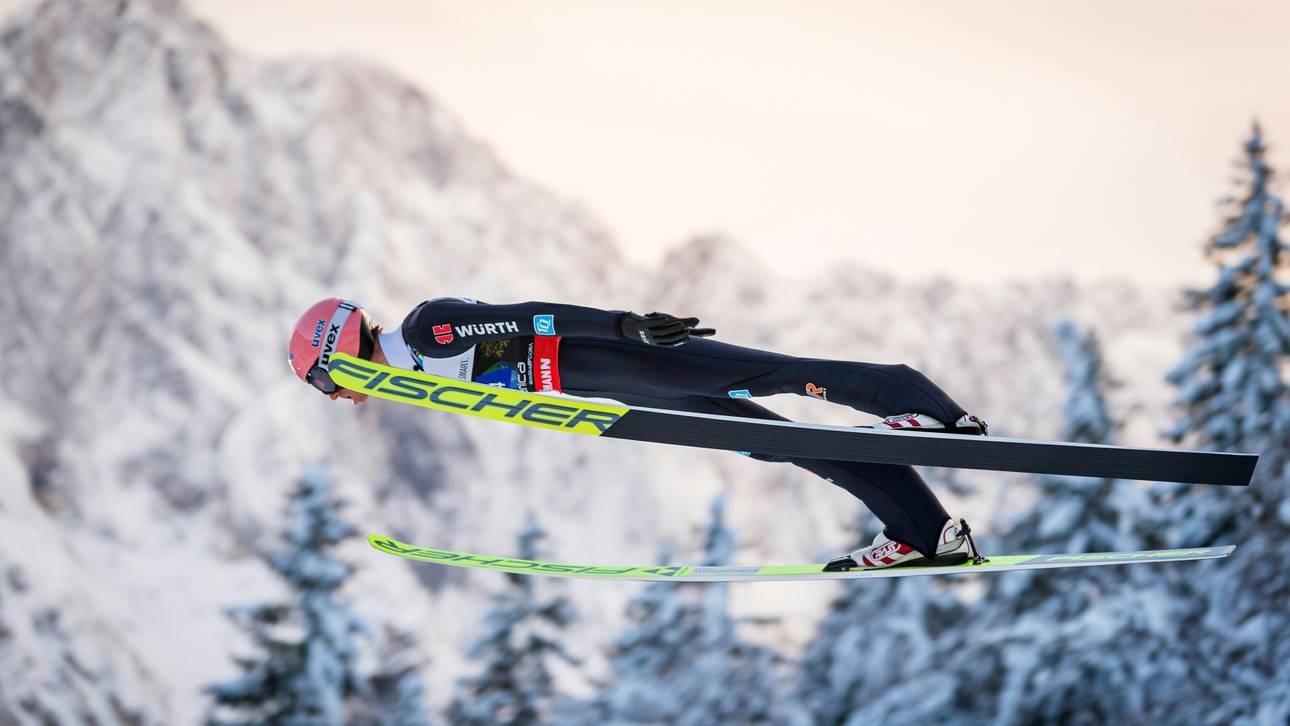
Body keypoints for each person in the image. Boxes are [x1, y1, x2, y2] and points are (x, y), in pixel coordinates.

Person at [287, 296, 987, 571]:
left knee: (770, 375)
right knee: (782, 442)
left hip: (619, 357)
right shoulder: (414, 378)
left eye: (325, 381)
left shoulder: (425, 331)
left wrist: (626, 326)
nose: (336, 397)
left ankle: (922, 404)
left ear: (341, 349)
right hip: (605, 388)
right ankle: (925, 534)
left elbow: (534, 317)